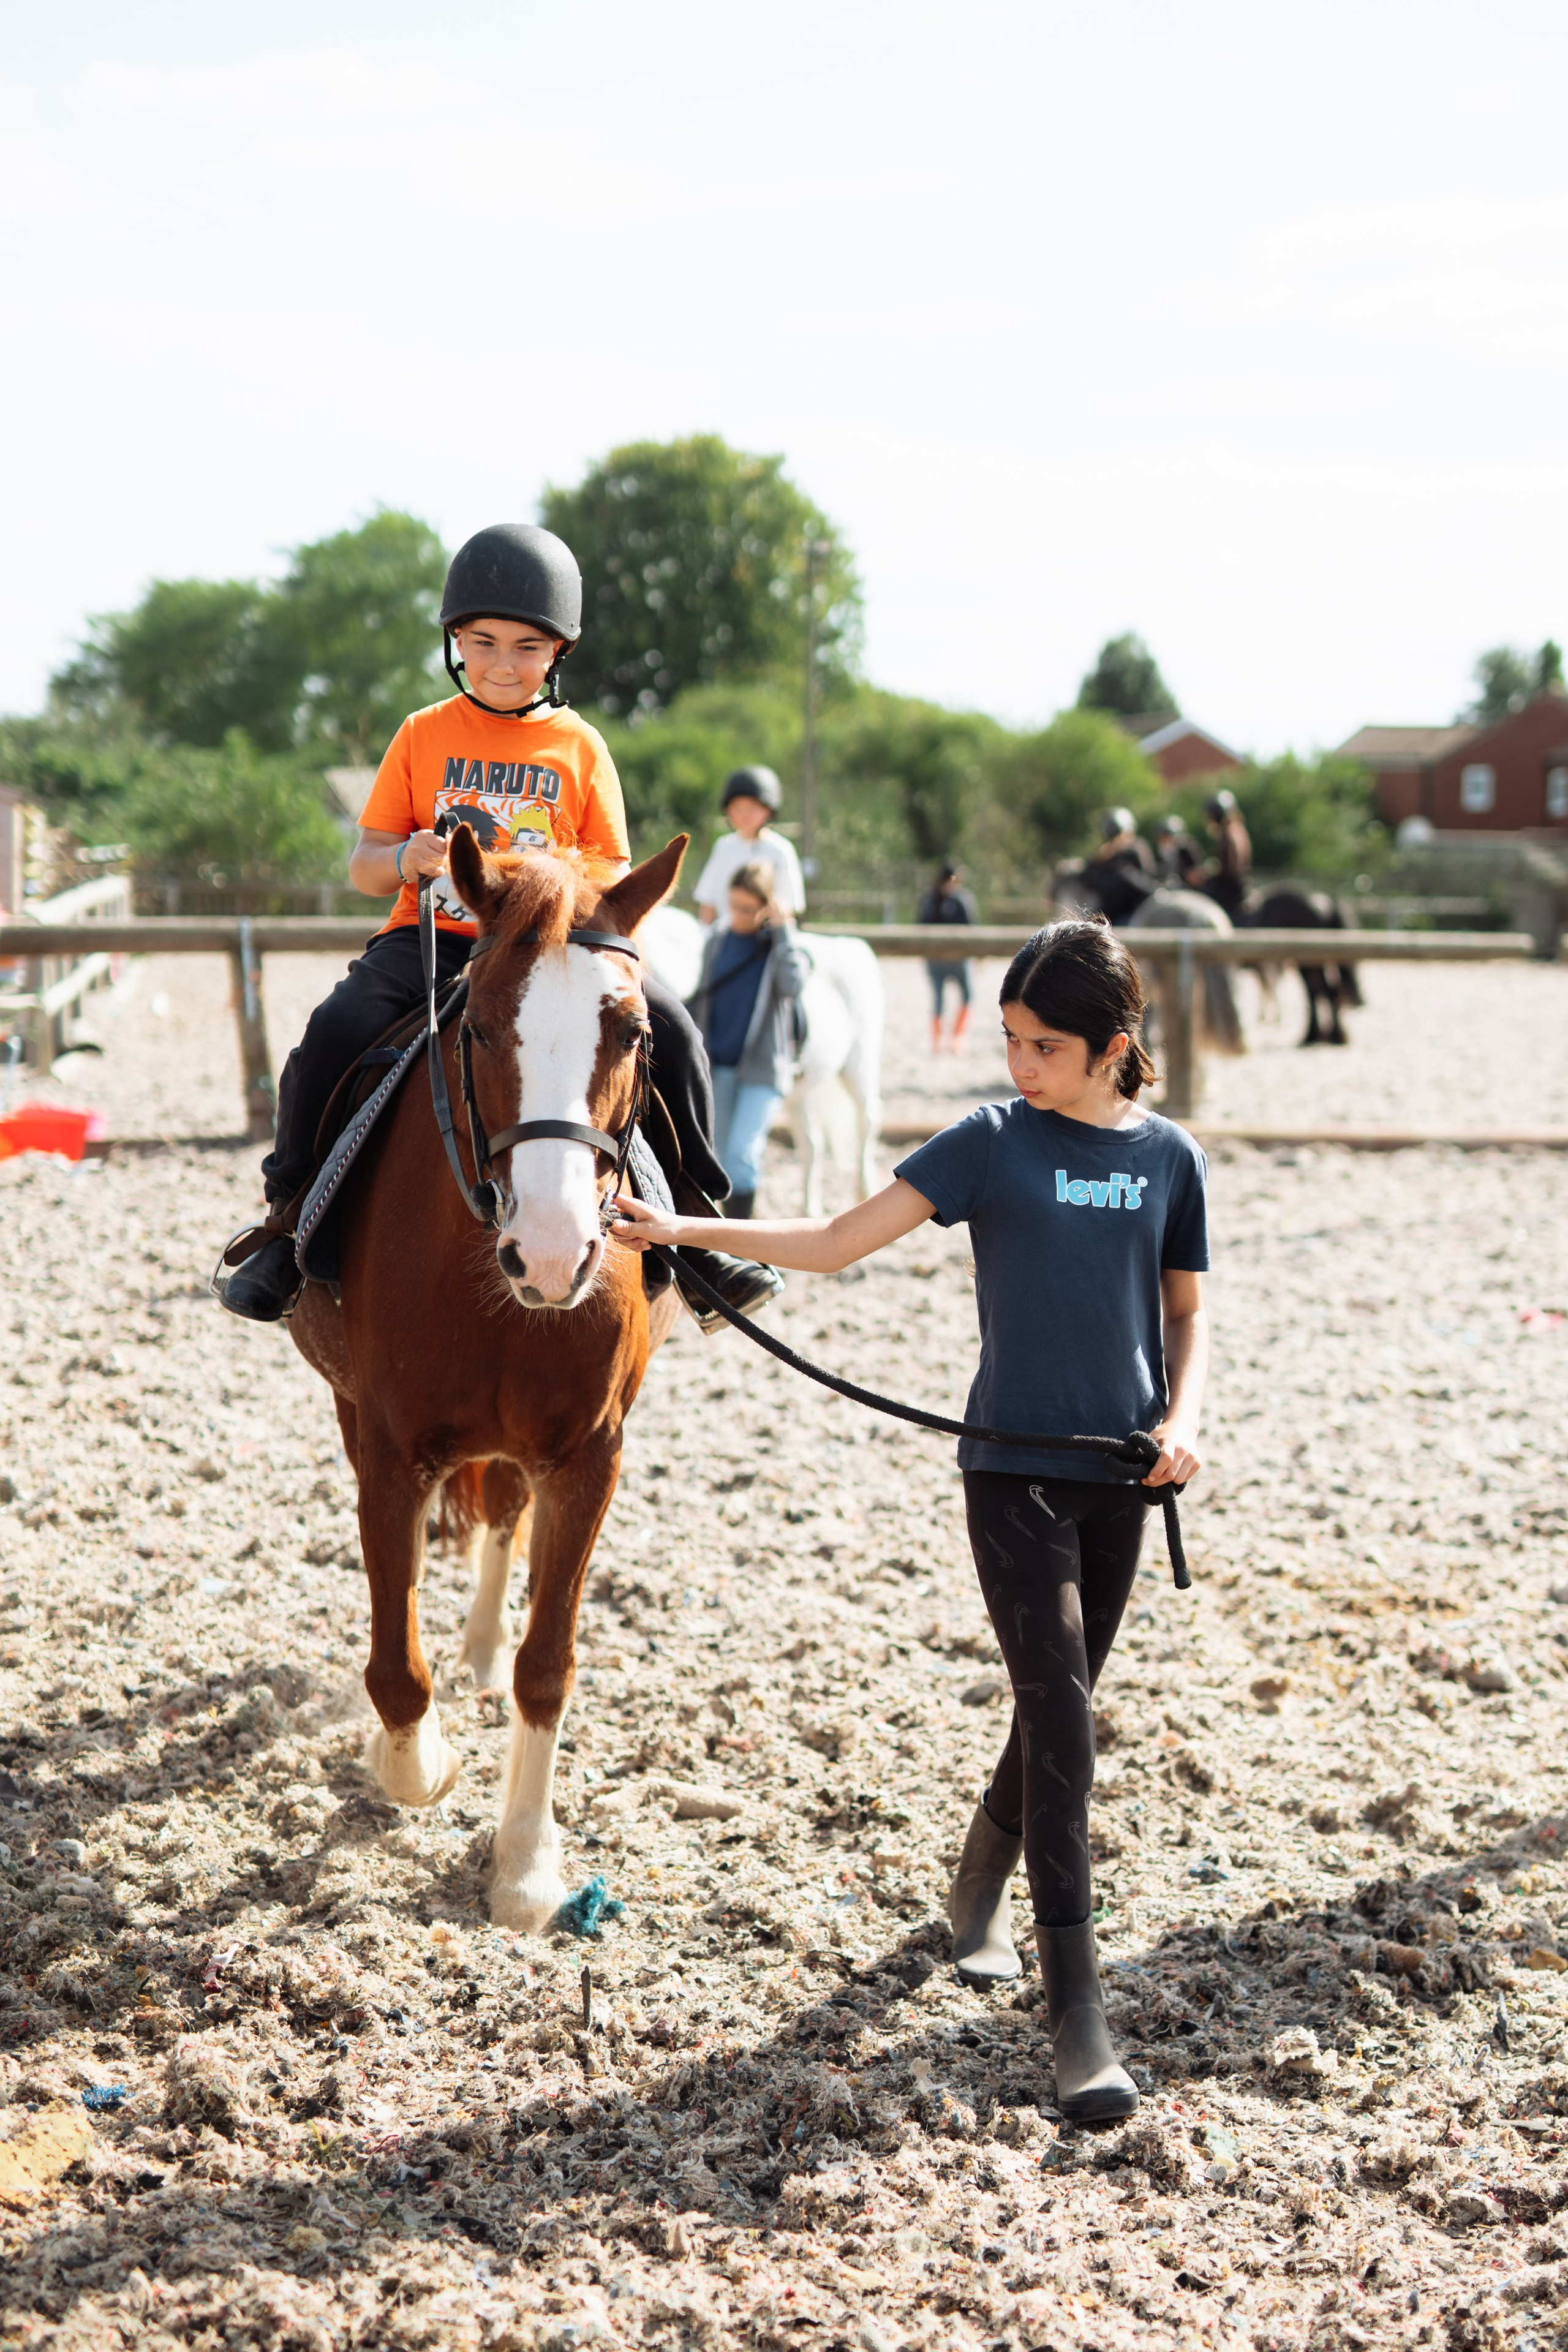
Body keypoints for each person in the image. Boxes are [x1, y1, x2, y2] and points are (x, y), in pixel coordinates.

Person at [611, 918, 1208, 2125]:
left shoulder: (1168, 1159)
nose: (1018, 1063)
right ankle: (1075, 2015)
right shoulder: (989, 1142)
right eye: (1009, 1039)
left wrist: (1185, 1422)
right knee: (1065, 1727)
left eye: (1044, 1045)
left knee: (1059, 1713)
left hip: (1124, 1480)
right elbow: (834, 1242)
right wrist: (682, 1232)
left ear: (1114, 1046)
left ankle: (974, 1886)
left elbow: (1185, 1311)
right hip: (1012, 1477)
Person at [213, 522, 784, 1333]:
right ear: (455, 642)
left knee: (681, 1040)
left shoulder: (579, 746)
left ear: (559, 653)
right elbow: (364, 864)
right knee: (332, 1032)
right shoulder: (422, 734)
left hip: (555, 956)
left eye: (526, 646)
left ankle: (698, 1242)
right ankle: (286, 1226)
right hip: (433, 940)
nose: (504, 664)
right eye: (483, 643)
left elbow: (612, 879)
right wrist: (404, 855)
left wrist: (576, 922)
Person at [687, 860, 807, 1218]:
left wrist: (784, 930)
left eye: (748, 909)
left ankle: (742, 1244)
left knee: (742, 1155)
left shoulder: (777, 948)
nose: (739, 915)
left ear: (765, 907)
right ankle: (730, 1238)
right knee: (721, 1158)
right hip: (718, 1067)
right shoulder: (717, 943)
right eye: (734, 906)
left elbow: (793, 985)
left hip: (761, 1070)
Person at [693, 767, 807, 929]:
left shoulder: (780, 850)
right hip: (728, 937)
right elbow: (708, 902)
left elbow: (789, 907)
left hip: (765, 938)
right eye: (738, 808)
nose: (744, 815)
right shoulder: (723, 848)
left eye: (752, 808)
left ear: (768, 811)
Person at [917, 860, 978, 1055]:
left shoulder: (933, 900)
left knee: (963, 997)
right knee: (947, 999)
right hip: (946, 959)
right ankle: (942, 1040)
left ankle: (955, 1038)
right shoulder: (954, 900)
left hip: (949, 959)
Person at [1085, 807, 1157, 924]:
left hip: (1134, 911)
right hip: (1110, 914)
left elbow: (1146, 878)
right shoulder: (1105, 857)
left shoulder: (1136, 849)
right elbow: (1089, 880)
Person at [1203, 788, 1251, 920]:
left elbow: (1228, 868)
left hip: (1230, 890)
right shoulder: (1238, 829)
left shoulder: (1228, 833)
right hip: (1240, 885)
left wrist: (1206, 875)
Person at [1152, 813, 1205, 890]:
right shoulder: (1162, 854)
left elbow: (1195, 877)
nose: (1163, 841)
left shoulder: (1187, 850)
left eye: (1166, 836)